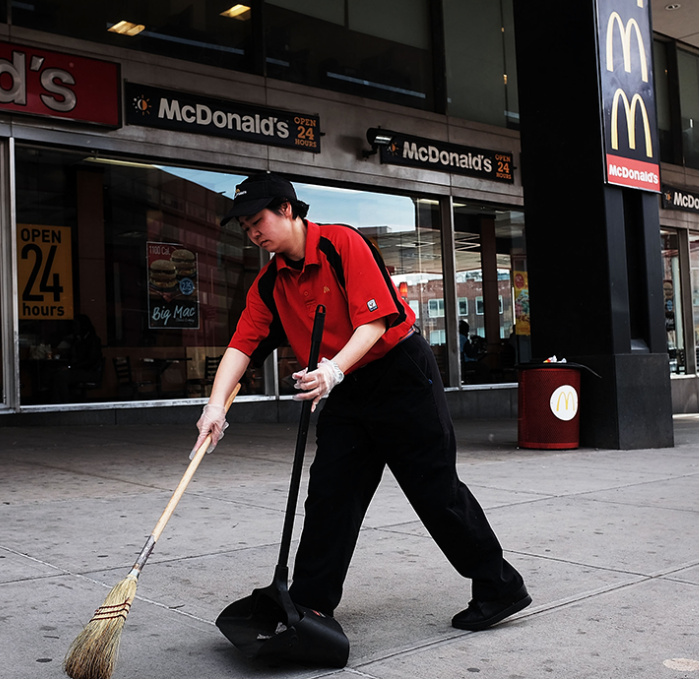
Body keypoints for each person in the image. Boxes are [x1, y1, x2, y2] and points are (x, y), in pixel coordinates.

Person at [195, 173, 529, 631]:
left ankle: (499, 585)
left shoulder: (342, 244)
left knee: (435, 491)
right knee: (332, 493)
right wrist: (216, 407)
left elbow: (374, 323)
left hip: (399, 374)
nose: (253, 233)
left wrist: (332, 370)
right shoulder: (270, 284)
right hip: (347, 390)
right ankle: (310, 605)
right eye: (246, 227)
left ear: (287, 209)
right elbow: (241, 346)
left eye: (258, 220)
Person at [52, 314, 103, 403]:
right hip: (79, 370)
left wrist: (70, 367)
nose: (73, 327)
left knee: (60, 377)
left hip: (90, 372)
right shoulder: (78, 339)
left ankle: (63, 403)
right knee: (56, 374)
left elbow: (90, 360)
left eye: (75, 325)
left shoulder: (92, 340)